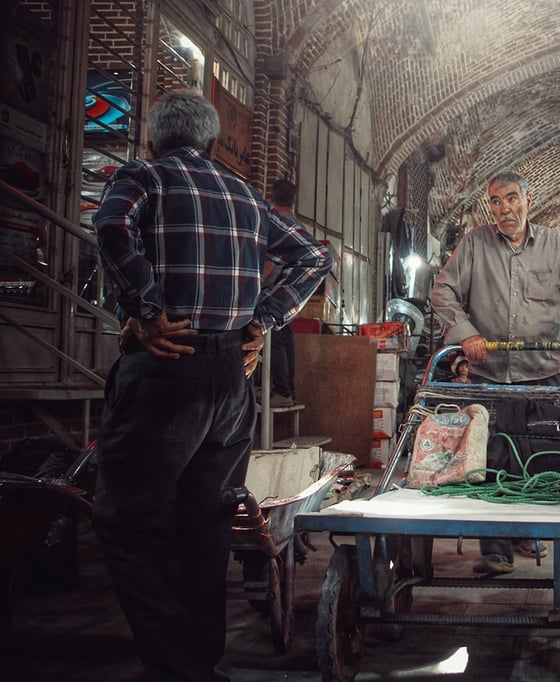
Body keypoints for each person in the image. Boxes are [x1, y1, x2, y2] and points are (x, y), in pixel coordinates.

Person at [91, 89, 331, 682]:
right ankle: (201, 660)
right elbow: (314, 257)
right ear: (206, 140)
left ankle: (179, 670)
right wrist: (263, 320)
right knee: (205, 522)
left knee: (128, 523)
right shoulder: (245, 194)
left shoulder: (142, 176)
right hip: (230, 378)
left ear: (153, 137)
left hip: (167, 368)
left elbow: (110, 223)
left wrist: (145, 308)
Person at [430, 170, 560, 575]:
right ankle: (495, 549)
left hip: (542, 373)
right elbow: (443, 291)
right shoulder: (474, 244)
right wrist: (466, 334)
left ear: (529, 200)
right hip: (488, 371)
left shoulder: (557, 245)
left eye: (511, 199)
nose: (504, 208)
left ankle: (530, 531)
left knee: (541, 457)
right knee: (490, 457)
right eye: (495, 201)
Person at [262, 178, 300, 408]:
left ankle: (282, 390)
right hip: (292, 292)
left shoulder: (276, 223)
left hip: (275, 290)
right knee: (286, 340)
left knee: (275, 340)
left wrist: (257, 282)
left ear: (272, 196)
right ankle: (288, 390)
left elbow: (271, 258)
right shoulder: (297, 225)